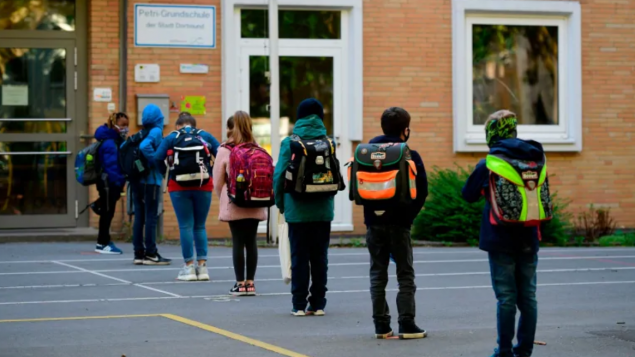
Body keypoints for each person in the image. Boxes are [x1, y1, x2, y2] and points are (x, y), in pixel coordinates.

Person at [462, 110, 541, 357]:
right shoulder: (535, 160)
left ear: (491, 134)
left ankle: (504, 351)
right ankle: (525, 350)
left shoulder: (489, 163)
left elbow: (468, 195)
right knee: (528, 296)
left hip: (500, 238)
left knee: (506, 298)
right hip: (529, 235)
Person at [363, 107, 428, 339]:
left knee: (377, 274)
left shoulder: (367, 153)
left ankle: (381, 326)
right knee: (405, 274)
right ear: (405, 129)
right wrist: (408, 217)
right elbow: (422, 191)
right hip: (400, 224)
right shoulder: (410, 154)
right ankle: (407, 324)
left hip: (374, 223)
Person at [273, 98, 333, 316]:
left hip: (296, 211)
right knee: (320, 257)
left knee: (299, 257)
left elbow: (279, 176)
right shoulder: (329, 142)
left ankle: (298, 305)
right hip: (323, 210)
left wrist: (281, 204)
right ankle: (318, 304)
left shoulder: (289, 143)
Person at [153, 112, 220, 280]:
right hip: (203, 184)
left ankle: (189, 267)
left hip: (178, 186)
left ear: (178, 126)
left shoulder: (172, 137)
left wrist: (167, 175)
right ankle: (202, 267)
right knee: (200, 226)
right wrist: (210, 172)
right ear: (194, 125)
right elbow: (220, 153)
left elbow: (156, 158)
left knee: (185, 226)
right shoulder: (203, 135)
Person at [213, 112, 267, 295]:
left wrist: (226, 198)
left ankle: (239, 284)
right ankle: (250, 283)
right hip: (256, 201)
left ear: (230, 129)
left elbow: (218, 182)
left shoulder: (224, 150)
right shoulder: (257, 148)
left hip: (235, 202)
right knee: (251, 241)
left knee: (237, 241)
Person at [129, 104, 171, 266]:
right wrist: (156, 160)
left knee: (139, 216)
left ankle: (138, 253)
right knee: (151, 216)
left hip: (137, 181)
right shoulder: (156, 131)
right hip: (150, 181)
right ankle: (151, 253)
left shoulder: (142, 131)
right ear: (158, 118)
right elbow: (144, 147)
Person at [93, 112, 129, 254]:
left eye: (127, 125)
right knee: (107, 213)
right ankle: (102, 243)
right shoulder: (109, 143)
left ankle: (97, 204)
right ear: (113, 124)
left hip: (109, 181)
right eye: (122, 125)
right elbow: (112, 166)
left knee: (108, 211)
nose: (125, 128)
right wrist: (120, 181)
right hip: (109, 182)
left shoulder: (115, 140)